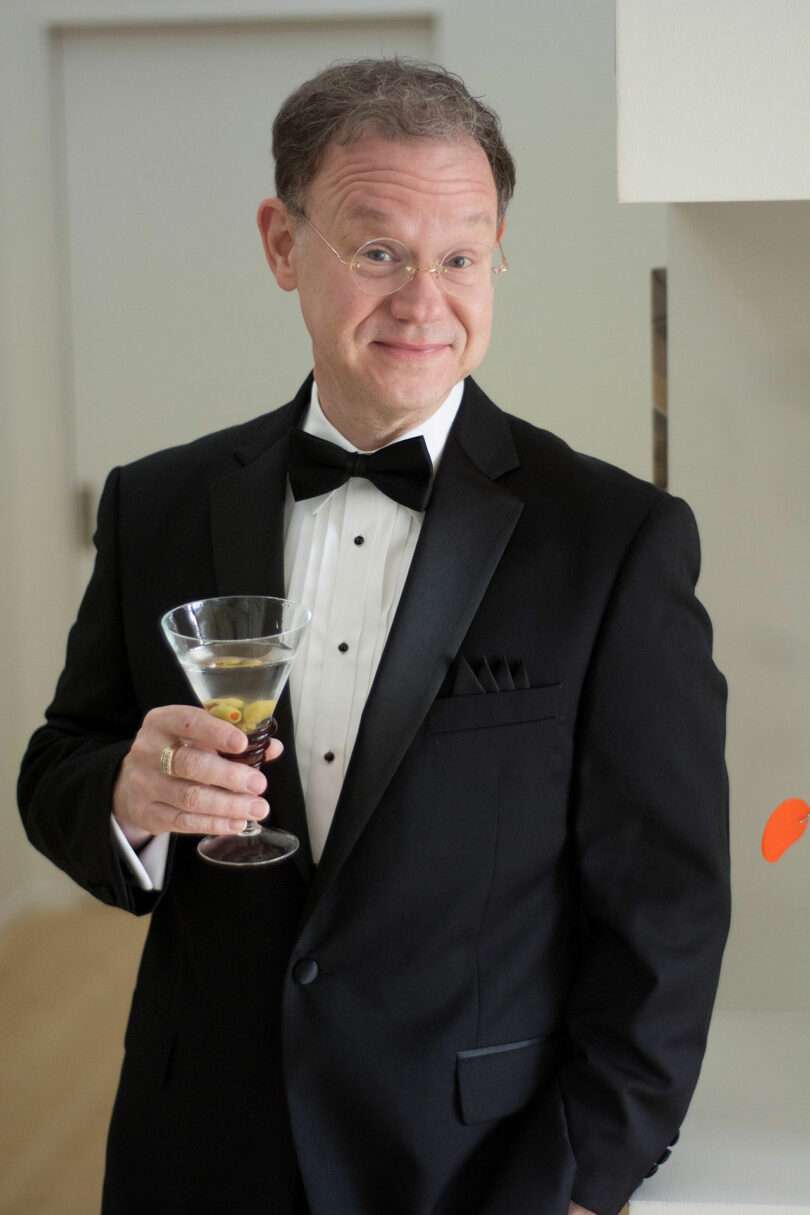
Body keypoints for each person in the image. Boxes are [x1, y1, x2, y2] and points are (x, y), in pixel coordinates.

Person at [18, 58, 731, 1215]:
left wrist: (584, 1179)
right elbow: (59, 763)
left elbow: (668, 908)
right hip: (197, 1147)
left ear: (498, 252)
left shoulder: (615, 538)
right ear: (282, 245)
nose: (423, 302)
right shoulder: (156, 503)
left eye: (460, 255)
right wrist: (125, 798)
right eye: (377, 251)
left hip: (474, 1169)